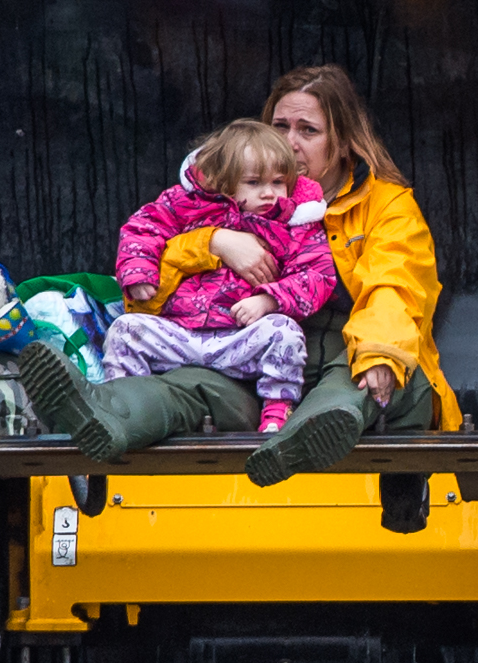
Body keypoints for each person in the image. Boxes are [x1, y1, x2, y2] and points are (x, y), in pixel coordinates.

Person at [19, 65, 458, 503]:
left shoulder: (388, 205)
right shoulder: (226, 197)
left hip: (345, 352)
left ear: (343, 143)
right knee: (188, 387)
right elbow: (150, 285)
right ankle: (101, 419)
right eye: (280, 127)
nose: (290, 142)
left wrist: (380, 352)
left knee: (372, 377)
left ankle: (307, 434)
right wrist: (216, 242)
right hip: (251, 361)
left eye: (308, 130)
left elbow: (394, 287)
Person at [26, 120, 334, 462]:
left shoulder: (295, 225)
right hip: (180, 334)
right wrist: (139, 272)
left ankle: (277, 412)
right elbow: (142, 229)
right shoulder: (187, 204)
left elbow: (316, 275)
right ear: (223, 182)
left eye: (279, 182)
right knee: (126, 330)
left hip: (240, 340)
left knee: (286, 334)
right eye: (254, 182)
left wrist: (269, 299)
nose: (269, 193)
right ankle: (120, 400)